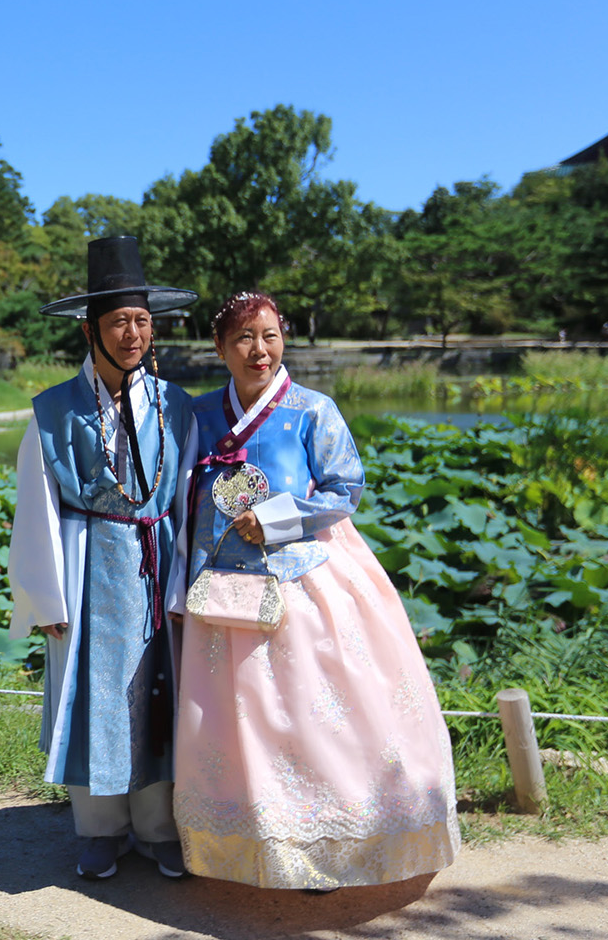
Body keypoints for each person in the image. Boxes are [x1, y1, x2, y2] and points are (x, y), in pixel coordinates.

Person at [170, 291, 460, 892]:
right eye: (245, 338)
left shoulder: (311, 409)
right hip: (223, 586)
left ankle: (328, 847)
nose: (260, 350)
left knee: (309, 711)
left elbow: (344, 488)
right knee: (234, 720)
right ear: (220, 348)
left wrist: (273, 520)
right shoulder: (197, 415)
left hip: (302, 576)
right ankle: (247, 841)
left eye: (271, 335)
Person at [7, 236, 199, 881]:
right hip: (87, 566)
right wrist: (44, 598)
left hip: (158, 557)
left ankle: (158, 827)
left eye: (143, 321)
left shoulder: (176, 406)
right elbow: (36, 507)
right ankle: (99, 828)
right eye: (119, 321)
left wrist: (191, 583)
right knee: (91, 698)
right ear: (90, 329)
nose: (134, 333)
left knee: (157, 694)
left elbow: (193, 498)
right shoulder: (54, 411)